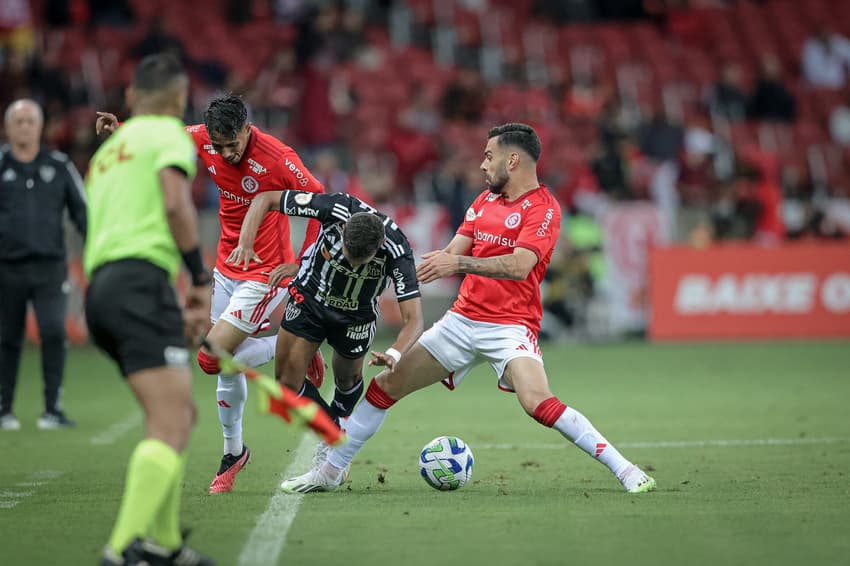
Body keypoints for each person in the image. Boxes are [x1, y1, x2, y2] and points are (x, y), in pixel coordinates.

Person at [279, 123, 657, 494]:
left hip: (510, 326)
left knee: (536, 402)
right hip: (461, 321)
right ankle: (331, 471)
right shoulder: (484, 202)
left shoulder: (543, 209)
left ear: (512, 161)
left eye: (489, 156)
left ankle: (625, 470)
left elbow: (519, 266)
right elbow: (450, 254)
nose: (481, 164)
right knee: (384, 387)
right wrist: (401, 267)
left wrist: (456, 265)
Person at [97, 95, 326, 494]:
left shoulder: (278, 157)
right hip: (226, 269)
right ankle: (232, 453)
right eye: (217, 146)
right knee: (224, 367)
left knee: (210, 358)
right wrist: (123, 130)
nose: (224, 153)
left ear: (247, 129)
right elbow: (161, 135)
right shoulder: (202, 138)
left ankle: (296, 340)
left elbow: (320, 201)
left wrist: (303, 263)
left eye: (231, 144)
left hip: (265, 275)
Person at [84, 53, 214, 566]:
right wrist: (199, 282)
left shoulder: (108, 151)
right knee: (170, 419)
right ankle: (120, 552)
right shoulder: (167, 136)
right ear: (181, 99)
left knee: (177, 415)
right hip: (141, 283)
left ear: (132, 96)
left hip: (102, 289)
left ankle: (165, 545)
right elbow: (175, 203)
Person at [226, 189, 424, 468]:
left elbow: (414, 319)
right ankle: (333, 434)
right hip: (310, 300)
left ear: (378, 247)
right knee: (285, 385)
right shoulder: (335, 208)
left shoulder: (398, 249)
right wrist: (245, 243)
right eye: (348, 254)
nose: (353, 264)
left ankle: (337, 422)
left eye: (360, 260)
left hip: (356, 317)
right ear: (343, 229)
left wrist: (395, 352)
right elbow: (266, 198)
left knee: (346, 381)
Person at [0, 98, 87, 431]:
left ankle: (53, 408)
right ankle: (4, 408)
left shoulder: (59, 164)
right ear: (8, 127)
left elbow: (82, 212)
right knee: (7, 337)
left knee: (53, 331)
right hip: (7, 267)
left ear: (40, 126)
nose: (24, 126)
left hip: (50, 266)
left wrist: (94, 249)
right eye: (17, 121)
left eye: (30, 120)